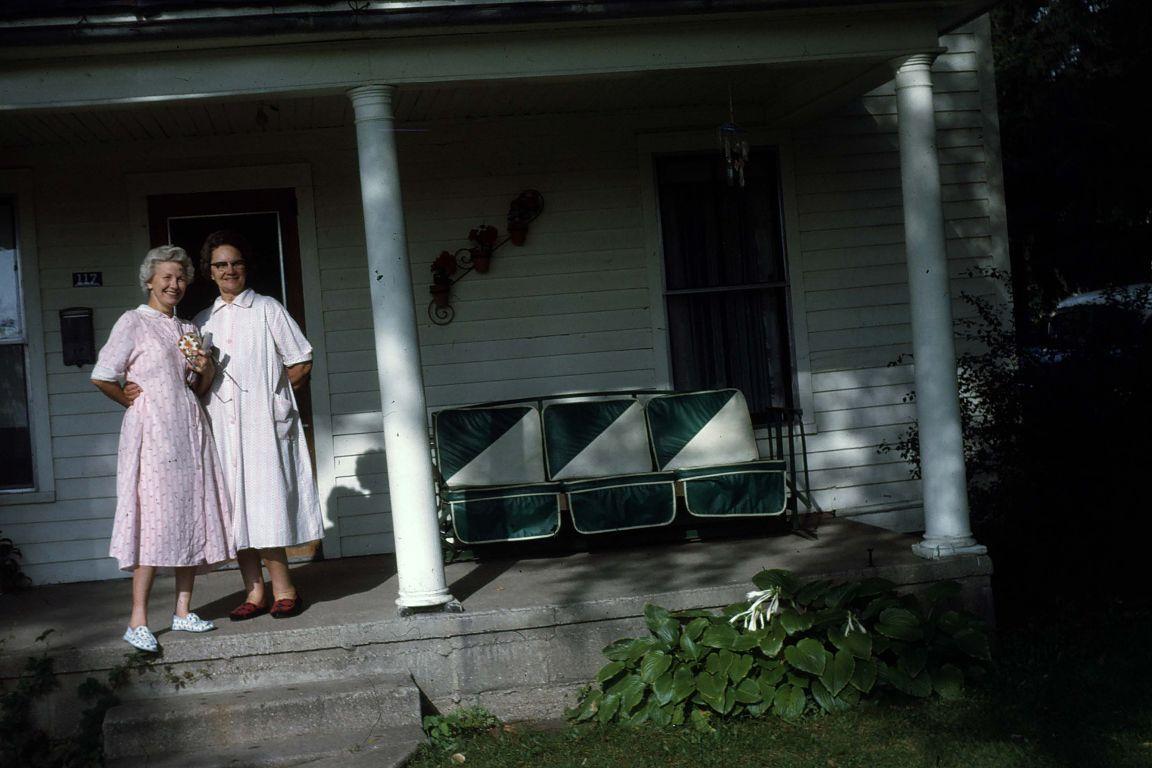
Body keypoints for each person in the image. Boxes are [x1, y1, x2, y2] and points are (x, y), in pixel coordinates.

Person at [91, 245, 235, 652]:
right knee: (151, 520)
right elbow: (103, 376)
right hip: (152, 433)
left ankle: (183, 611)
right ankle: (137, 619)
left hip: (189, 429)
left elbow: (198, 389)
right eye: (166, 277)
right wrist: (129, 399)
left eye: (181, 277)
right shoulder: (133, 322)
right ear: (150, 281)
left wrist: (205, 370)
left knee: (189, 514)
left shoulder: (188, 329)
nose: (175, 284)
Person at [194, 230, 323, 620]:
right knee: (235, 510)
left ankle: (286, 589)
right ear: (210, 272)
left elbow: (301, 360)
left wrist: (275, 399)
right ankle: (254, 593)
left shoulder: (268, 309)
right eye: (220, 264)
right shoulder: (202, 321)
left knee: (265, 507)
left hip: (263, 427)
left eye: (235, 262)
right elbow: (199, 383)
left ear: (245, 268)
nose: (229, 270)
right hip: (222, 428)